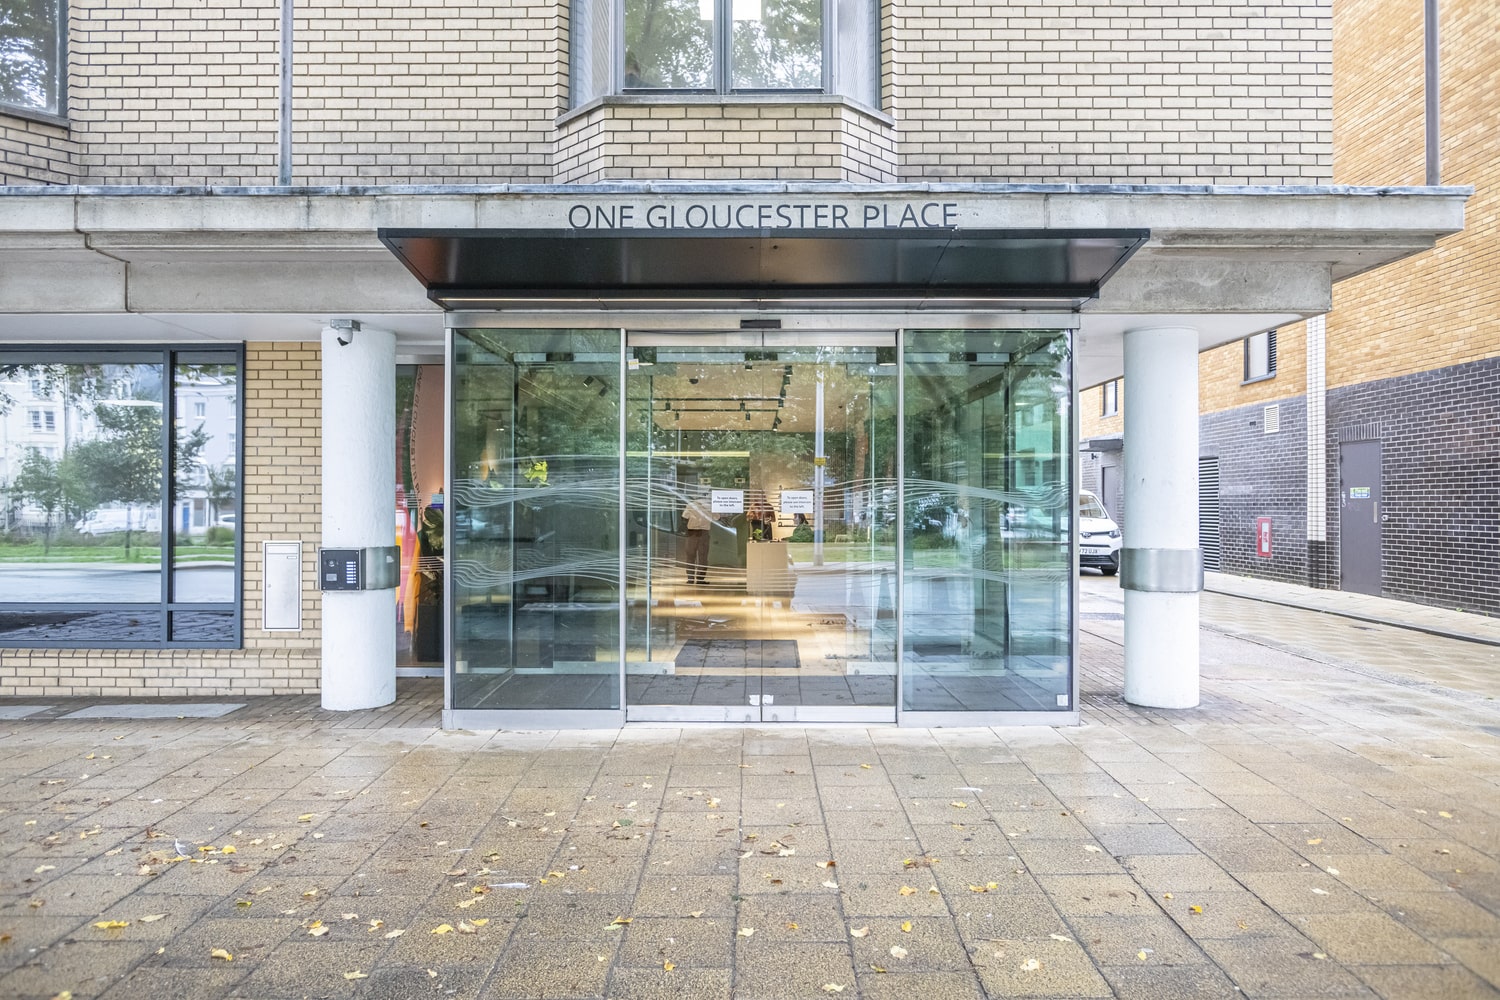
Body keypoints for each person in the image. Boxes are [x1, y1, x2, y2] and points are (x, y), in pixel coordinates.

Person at [681, 495, 713, 584]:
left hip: (691, 533)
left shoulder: (691, 505)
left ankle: (690, 578)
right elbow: (717, 517)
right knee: (703, 557)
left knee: (690, 556)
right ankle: (700, 579)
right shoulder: (709, 506)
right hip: (704, 533)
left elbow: (684, 517)